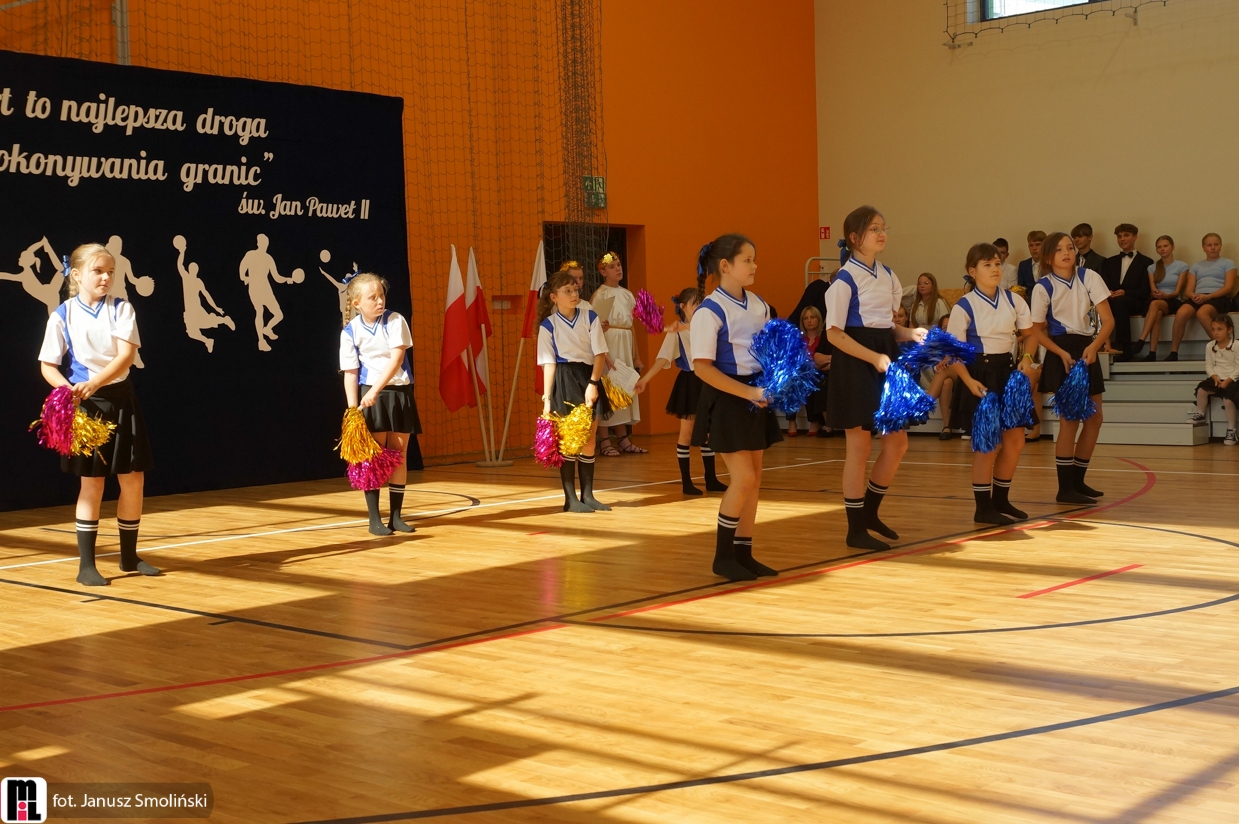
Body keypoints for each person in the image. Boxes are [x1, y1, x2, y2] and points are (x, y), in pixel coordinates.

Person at [38, 243, 157, 586]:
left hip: (121, 399)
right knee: (92, 483)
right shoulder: (62, 314)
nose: (106, 278)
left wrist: (94, 383)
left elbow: (125, 357)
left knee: (133, 479)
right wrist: (68, 391)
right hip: (86, 408)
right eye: (98, 271)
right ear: (76, 275)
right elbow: (48, 365)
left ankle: (129, 557)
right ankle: (87, 565)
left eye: (110, 272)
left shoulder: (121, 309)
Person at [826, 206, 926, 550]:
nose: (882, 234)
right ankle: (855, 529)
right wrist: (873, 358)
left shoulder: (888, 275)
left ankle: (869, 512)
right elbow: (834, 334)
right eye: (873, 229)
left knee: (898, 443)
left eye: (884, 228)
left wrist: (910, 334)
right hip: (855, 363)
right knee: (860, 447)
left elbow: (885, 327)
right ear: (855, 238)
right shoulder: (843, 280)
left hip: (884, 357)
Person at [690, 234, 781, 581]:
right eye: (747, 260)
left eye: (754, 259)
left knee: (755, 480)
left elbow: (767, 351)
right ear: (725, 266)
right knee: (743, 479)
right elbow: (702, 368)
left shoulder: (760, 304)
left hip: (755, 394)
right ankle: (722, 557)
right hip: (728, 396)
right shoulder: (709, 310)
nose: (755, 265)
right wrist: (748, 392)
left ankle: (744, 554)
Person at [947, 243, 1035, 524]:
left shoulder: (1014, 300)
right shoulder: (964, 306)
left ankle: (1001, 500)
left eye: (997, 263)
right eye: (987, 265)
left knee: (1016, 440)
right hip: (978, 375)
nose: (995, 269)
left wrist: (1027, 358)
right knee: (987, 444)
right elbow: (953, 353)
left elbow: (1031, 334)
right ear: (972, 271)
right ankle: (983, 508)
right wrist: (968, 381)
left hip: (1007, 373)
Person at [1030, 232, 1114, 504]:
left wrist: (1095, 346)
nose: (1067, 252)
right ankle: (1065, 488)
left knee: (1095, 418)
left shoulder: (1090, 277)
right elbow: (1036, 330)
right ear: (1048, 257)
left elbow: (1108, 320)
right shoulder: (1043, 286)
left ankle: (1078, 481)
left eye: (1070, 247)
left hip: (1087, 348)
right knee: (1069, 421)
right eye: (1059, 249)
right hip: (1061, 351)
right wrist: (1060, 353)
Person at [339, 272, 420, 535]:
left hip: (397, 393)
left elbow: (396, 359)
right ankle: (375, 520)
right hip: (369, 397)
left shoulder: (395, 320)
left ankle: (396, 517)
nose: (379, 301)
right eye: (372, 297)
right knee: (372, 457)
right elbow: (350, 372)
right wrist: (353, 411)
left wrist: (376, 390)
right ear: (357, 303)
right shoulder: (350, 331)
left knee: (399, 455)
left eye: (381, 295)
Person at [634, 287, 726, 494]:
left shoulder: (708, 326)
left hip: (710, 380)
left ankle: (711, 479)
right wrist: (645, 379)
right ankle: (686, 482)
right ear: (683, 307)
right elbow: (663, 358)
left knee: (707, 432)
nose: (700, 308)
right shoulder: (677, 332)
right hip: (690, 383)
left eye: (702, 303)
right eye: (695, 304)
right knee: (687, 433)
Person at [537, 271, 612, 513]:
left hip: (588, 376)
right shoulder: (548, 325)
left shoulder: (590, 316)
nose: (573, 294)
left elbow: (599, 353)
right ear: (554, 297)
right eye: (567, 291)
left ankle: (587, 496)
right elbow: (549, 363)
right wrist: (547, 400)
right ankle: (570, 499)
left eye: (575, 289)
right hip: (564, 379)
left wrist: (593, 383)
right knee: (569, 442)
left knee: (589, 440)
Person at [591, 252, 646, 456]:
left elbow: (631, 328)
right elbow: (593, 328)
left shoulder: (627, 295)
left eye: (619, 264)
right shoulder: (600, 295)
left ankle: (623, 439)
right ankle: (605, 440)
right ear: (603, 271)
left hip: (624, 345)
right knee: (608, 391)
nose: (618, 269)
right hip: (609, 346)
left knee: (622, 391)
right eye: (612, 266)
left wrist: (636, 356)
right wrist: (603, 354)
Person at [1167, 234, 1237, 361]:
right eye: (1209, 245)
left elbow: (1228, 287)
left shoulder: (1228, 263)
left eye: (1216, 244)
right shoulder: (1196, 266)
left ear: (1220, 246)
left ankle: (1221, 349)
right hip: (1199, 297)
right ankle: (1174, 352)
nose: (1213, 247)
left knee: (1202, 313)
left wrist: (1208, 297)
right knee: (1181, 313)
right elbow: (1188, 291)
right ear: (1203, 248)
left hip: (1218, 297)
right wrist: (1194, 296)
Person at [1104, 224, 1155, 361]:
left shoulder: (1146, 262)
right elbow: (1104, 283)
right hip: (1113, 300)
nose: (1122, 239)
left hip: (1136, 301)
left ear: (1135, 237)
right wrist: (1108, 292)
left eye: (1126, 235)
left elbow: (1145, 290)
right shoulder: (1109, 262)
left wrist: (1125, 292)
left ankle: (1124, 350)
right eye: (1119, 236)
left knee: (1120, 303)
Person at [1136, 236, 1190, 362]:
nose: (1162, 249)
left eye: (1165, 246)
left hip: (1173, 300)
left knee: (1155, 305)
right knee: (1157, 312)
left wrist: (1166, 296)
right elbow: (1153, 288)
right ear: (1156, 250)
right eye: (1159, 247)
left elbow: (1177, 291)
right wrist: (1156, 293)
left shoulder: (1182, 266)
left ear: (1172, 247)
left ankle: (1141, 339)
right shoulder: (1152, 268)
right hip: (1158, 300)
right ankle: (1152, 353)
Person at [1188, 314, 1238, 445]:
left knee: (1229, 399)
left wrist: (1228, 381)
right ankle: (1200, 413)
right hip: (1217, 378)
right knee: (1202, 389)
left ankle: (1231, 430)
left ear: (1229, 330)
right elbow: (1209, 366)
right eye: (1213, 329)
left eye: (1220, 329)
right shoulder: (1210, 346)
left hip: (1233, 379)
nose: (1216, 332)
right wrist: (1214, 376)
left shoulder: (1236, 345)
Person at [794, 305, 828, 436]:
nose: (809, 321)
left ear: (818, 319)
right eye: (805, 318)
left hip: (820, 371)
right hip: (802, 373)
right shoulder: (799, 340)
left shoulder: (824, 338)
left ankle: (815, 421)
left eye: (812, 317)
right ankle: (793, 422)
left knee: (814, 381)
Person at [924, 315, 958, 440]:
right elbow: (932, 366)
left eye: (950, 327)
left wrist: (951, 357)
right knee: (946, 383)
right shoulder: (937, 344)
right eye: (944, 328)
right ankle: (947, 427)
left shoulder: (963, 339)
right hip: (947, 377)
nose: (947, 330)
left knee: (944, 370)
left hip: (967, 377)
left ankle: (925, 405)